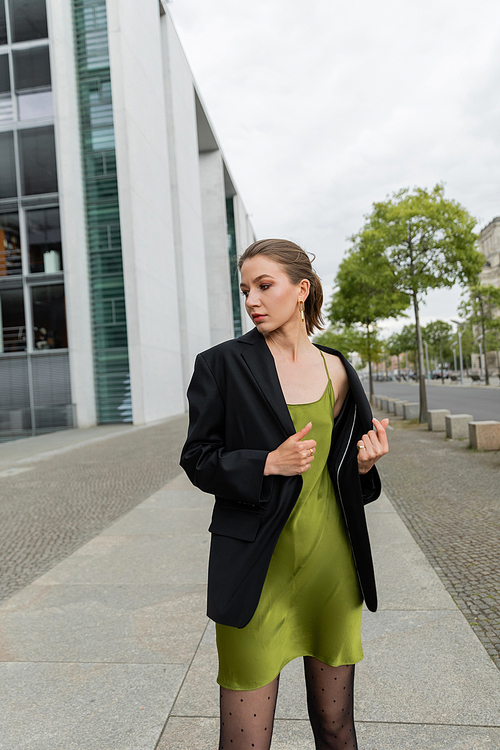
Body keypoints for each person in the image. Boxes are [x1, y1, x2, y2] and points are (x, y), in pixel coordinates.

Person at [180, 239, 389, 750]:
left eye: (264, 286)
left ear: (302, 290)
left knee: (338, 728)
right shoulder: (221, 365)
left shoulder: (337, 369)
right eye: (246, 289)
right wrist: (266, 463)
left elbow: (340, 476)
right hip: (255, 568)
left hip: (331, 565)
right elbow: (197, 458)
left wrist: (361, 465)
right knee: (245, 740)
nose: (252, 299)